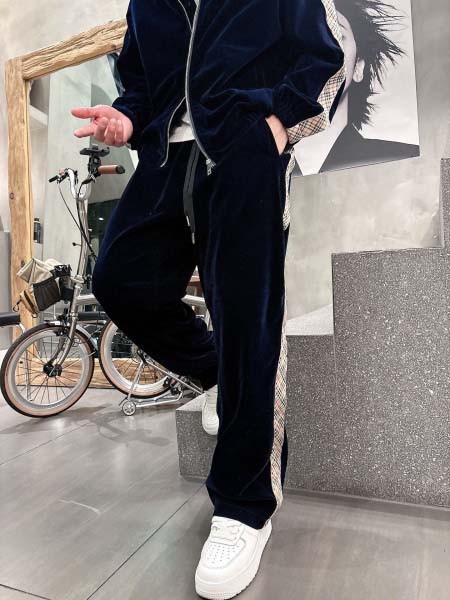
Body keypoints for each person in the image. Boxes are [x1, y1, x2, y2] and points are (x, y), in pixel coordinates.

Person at [71, 0, 346, 597]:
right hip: (166, 160)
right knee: (120, 279)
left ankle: (245, 505)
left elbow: (325, 60)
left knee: (246, 319)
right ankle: (220, 374)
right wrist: (126, 118)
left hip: (243, 153)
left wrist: (276, 129)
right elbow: (139, 84)